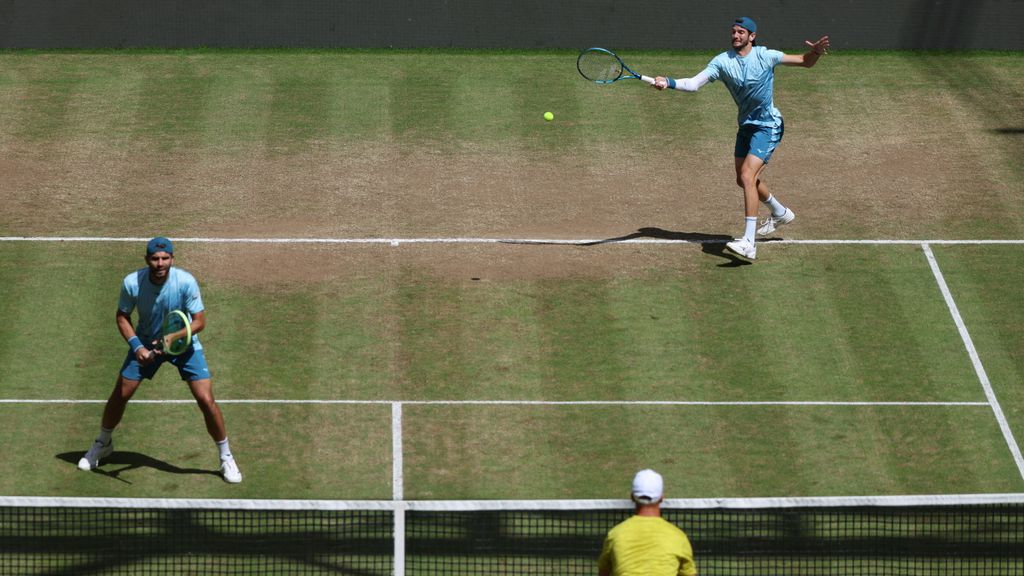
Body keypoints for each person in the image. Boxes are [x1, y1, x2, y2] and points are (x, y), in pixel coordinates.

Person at [652, 17, 830, 260]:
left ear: (752, 37)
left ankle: (749, 243)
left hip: (768, 126)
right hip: (746, 127)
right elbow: (693, 84)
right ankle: (780, 213)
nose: (735, 36)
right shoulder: (722, 62)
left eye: (741, 32)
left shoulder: (765, 56)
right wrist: (668, 82)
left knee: (748, 176)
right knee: (743, 179)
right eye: (733, 32)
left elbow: (804, 61)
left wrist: (815, 52)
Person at [78, 237, 242, 483]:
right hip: (145, 342)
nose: (160, 263)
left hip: (184, 344)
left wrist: (171, 339)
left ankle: (226, 457)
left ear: (172, 259)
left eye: (165, 258)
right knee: (121, 394)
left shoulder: (185, 281)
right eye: (155, 259)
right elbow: (122, 316)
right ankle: (103, 443)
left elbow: (199, 322)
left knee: (206, 400)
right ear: (147, 260)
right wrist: (137, 347)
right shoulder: (132, 283)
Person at [597, 469, 697, 576]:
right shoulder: (678, 537)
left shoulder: (615, 534)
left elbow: (603, 572)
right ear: (662, 498)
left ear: (632, 497)